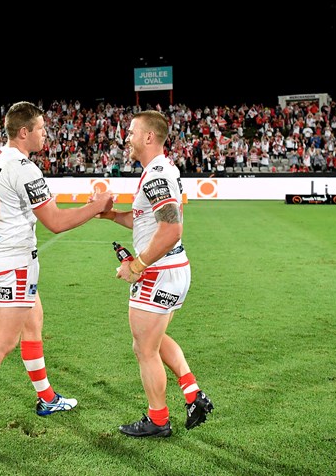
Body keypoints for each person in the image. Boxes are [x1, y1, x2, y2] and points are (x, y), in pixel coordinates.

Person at [0, 101, 114, 441]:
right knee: (2, 342)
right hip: (14, 263)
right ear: (24, 132)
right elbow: (56, 222)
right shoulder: (24, 169)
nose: (46, 134)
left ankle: (47, 398)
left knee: (33, 324)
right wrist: (96, 206)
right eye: (41, 129)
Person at [97, 109, 213, 438]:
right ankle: (192, 394)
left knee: (143, 349)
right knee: (155, 339)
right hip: (173, 268)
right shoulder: (161, 170)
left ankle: (158, 420)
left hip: (159, 271)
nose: (127, 138)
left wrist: (136, 266)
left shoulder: (155, 176)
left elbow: (171, 229)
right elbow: (146, 222)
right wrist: (111, 216)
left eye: (132, 132)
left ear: (149, 136)